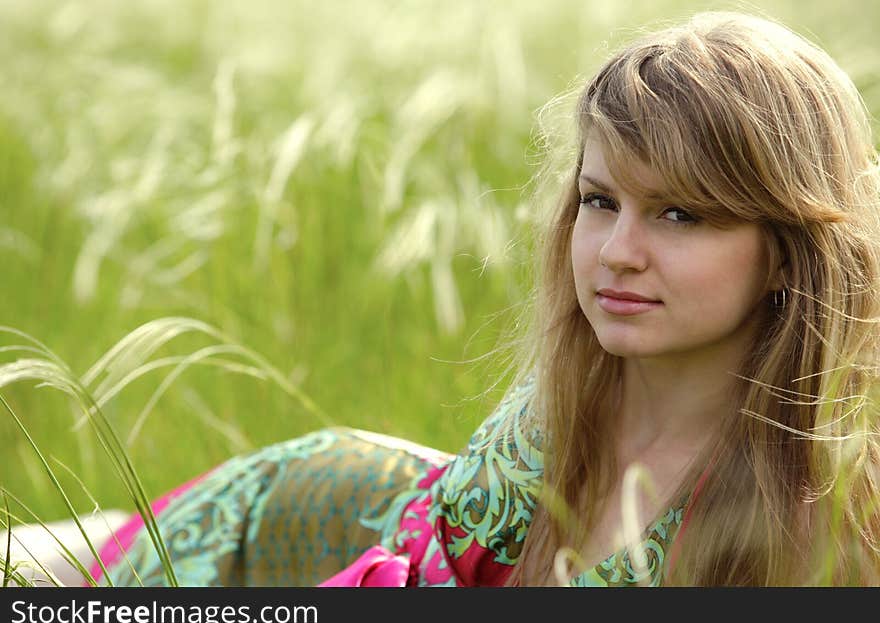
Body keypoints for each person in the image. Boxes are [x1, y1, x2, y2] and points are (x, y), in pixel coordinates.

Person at [53, 9, 880, 587]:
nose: (616, 253)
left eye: (678, 214)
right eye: (600, 202)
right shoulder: (565, 404)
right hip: (301, 517)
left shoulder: (822, 521)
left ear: (787, 254)